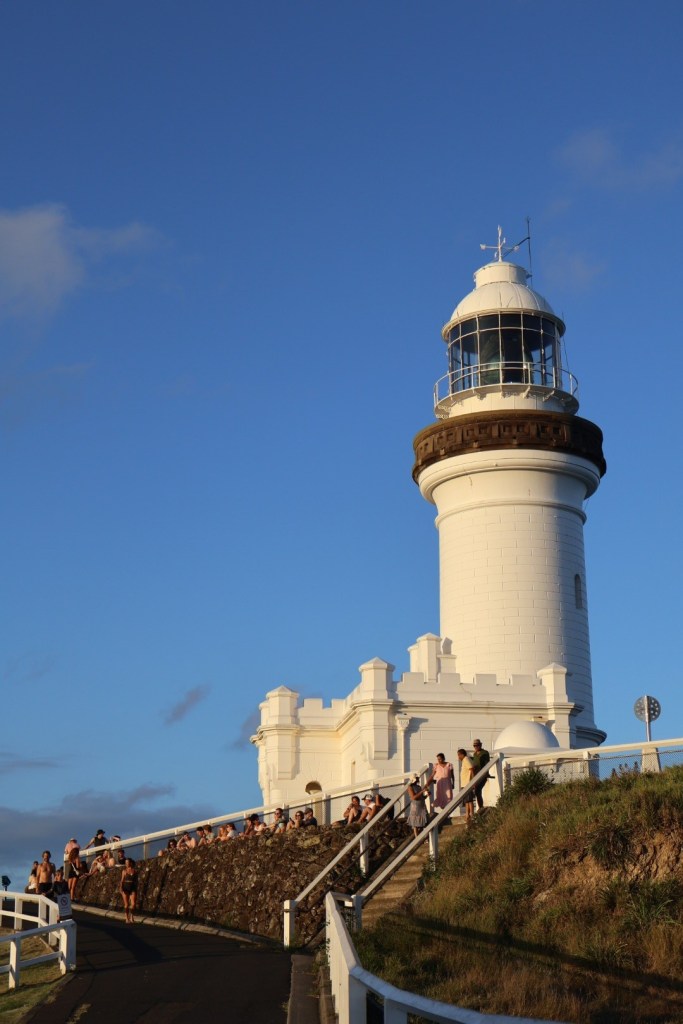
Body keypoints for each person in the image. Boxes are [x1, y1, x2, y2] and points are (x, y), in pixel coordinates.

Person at [471, 739, 491, 812]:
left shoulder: (485, 753)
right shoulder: (474, 754)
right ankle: (480, 807)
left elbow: (487, 764)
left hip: (482, 774)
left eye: (477, 745)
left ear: (480, 745)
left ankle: (481, 807)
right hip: (476, 775)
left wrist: (486, 773)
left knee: (478, 790)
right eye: (474, 746)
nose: (476, 747)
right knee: (477, 791)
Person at [457, 748, 475, 822]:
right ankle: (467, 814)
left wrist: (473, 781)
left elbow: (471, 769)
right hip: (464, 784)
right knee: (467, 800)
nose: (458, 757)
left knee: (470, 800)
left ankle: (472, 814)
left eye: (459, 755)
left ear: (462, 754)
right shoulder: (464, 760)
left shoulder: (466, 759)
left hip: (467, 783)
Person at [120, 858, 138, 924]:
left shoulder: (135, 871)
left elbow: (136, 880)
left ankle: (132, 916)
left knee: (133, 904)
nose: (126, 864)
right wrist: (121, 888)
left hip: (133, 888)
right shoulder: (124, 871)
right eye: (125, 862)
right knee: (127, 905)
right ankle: (127, 918)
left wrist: (136, 887)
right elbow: (122, 880)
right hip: (125, 887)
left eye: (127, 862)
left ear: (130, 863)